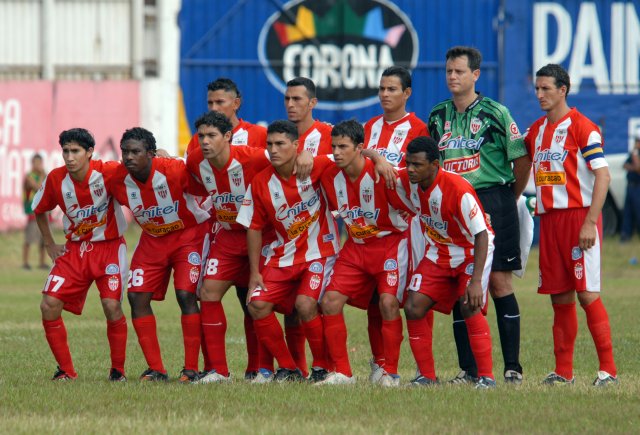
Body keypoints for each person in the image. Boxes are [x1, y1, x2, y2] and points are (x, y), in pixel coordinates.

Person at [185, 111, 313, 383]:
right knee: (208, 292)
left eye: (211, 136)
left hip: (264, 238)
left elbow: (288, 158)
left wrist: (306, 155)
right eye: (201, 137)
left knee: (260, 301)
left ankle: (264, 369)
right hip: (228, 236)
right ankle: (219, 371)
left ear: (228, 137)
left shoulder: (254, 157)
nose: (205, 142)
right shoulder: (196, 161)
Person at [428, 46, 531, 384]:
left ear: (475, 75)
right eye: (449, 72)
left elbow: (521, 158)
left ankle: (512, 367)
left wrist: (507, 198)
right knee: (462, 285)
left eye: (459, 71)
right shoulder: (438, 116)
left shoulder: (496, 112)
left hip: (493, 198)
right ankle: (468, 370)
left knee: (499, 282)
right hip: (454, 203)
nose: (453, 77)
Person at [524, 64, 617, 386]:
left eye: (546, 88)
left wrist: (591, 223)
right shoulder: (535, 131)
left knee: (587, 294)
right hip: (549, 222)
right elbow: (521, 163)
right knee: (559, 297)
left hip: (579, 219)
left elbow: (603, 175)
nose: (539, 94)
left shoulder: (583, 127)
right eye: (537, 89)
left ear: (563, 90)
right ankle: (563, 372)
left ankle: (608, 371)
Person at [237, 120, 339, 383]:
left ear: (296, 145)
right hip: (282, 256)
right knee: (257, 304)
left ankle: (321, 367)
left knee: (305, 305)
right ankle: (288, 368)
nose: (273, 149)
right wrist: (254, 272)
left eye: (280, 144)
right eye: (269, 144)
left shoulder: (315, 166)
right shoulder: (260, 182)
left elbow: (349, 155)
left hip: (320, 252)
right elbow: (254, 227)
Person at [394, 136, 496, 389]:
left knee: (469, 306)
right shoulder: (409, 180)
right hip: (439, 250)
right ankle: (427, 377)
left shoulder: (457, 190)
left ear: (434, 165)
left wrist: (475, 281)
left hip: (471, 250)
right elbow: (381, 168)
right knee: (413, 306)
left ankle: (487, 377)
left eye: (417, 165)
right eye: (408, 164)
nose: (411, 170)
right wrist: (375, 157)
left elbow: (481, 234)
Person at [109, 127, 210, 382]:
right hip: (152, 240)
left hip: (188, 237)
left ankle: (191, 369)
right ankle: (156, 369)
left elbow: (209, 185)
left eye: (135, 152)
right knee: (136, 297)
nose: (129, 157)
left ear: (151, 154)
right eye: (125, 152)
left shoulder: (173, 171)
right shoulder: (116, 178)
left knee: (186, 294)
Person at [31, 128, 128, 381]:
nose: (70, 157)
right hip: (75, 251)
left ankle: (117, 371)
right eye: (65, 151)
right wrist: (49, 244)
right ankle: (66, 371)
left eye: (75, 151)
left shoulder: (108, 172)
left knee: (111, 305)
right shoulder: (56, 179)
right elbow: (39, 209)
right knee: (49, 304)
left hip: (109, 248)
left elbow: (139, 171)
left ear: (89, 152)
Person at [318, 120, 408, 386]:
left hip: (389, 245)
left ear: (359, 148)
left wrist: (377, 157)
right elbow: (304, 157)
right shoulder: (329, 172)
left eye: (343, 147)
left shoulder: (385, 174)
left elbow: (418, 198)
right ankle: (343, 373)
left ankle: (389, 372)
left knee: (388, 304)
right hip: (355, 247)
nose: (336, 152)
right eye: (333, 146)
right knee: (330, 302)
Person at [362, 65, 430, 382]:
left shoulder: (417, 128)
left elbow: (422, 171)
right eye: (382, 89)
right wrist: (374, 154)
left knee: (415, 297)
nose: (385, 95)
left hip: (409, 226)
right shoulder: (370, 127)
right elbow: (357, 152)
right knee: (377, 299)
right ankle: (381, 363)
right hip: (376, 226)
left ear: (407, 93)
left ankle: (421, 368)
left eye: (392, 89)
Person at [185, 77, 267, 156]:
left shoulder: (261, 135)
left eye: (219, 102)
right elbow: (188, 168)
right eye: (210, 103)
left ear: (236, 103)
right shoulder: (199, 139)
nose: (213, 108)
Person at [285, 77, 333, 156]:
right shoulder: (276, 137)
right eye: (287, 99)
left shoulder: (330, 136)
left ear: (312, 103)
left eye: (296, 99)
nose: (290, 104)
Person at [23, 153, 48, 270]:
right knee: (29, 238)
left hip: (43, 212)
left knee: (44, 239)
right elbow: (39, 187)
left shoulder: (44, 176)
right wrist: (43, 174)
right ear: (32, 164)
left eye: (39, 163)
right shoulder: (29, 176)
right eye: (36, 163)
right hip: (32, 212)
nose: (38, 165)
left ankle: (42, 262)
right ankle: (25, 262)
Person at [620, 129, 640, 242]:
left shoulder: (636, 154)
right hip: (630, 186)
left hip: (638, 187)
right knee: (628, 212)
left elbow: (637, 168)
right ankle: (625, 236)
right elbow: (624, 165)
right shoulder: (633, 153)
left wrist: (635, 154)